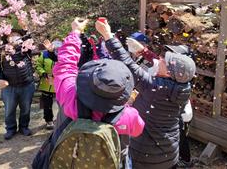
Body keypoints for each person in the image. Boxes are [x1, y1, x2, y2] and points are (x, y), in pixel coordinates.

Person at [34, 18, 144, 168]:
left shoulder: (71, 98)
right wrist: (126, 104)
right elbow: (138, 129)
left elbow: (65, 67)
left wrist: (75, 32)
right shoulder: (129, 116)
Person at [96, 20, 195, 169]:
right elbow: (154, 64)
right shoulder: (183, 86)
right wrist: (144, 52)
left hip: (146, 156)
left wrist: (108, 36)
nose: (160, 59)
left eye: (164, 61)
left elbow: (129, 65)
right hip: (169, 154)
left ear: (169, 73)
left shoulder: (156, 88)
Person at [0, 28, 35, 140]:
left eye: (17, 35)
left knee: (26, 108)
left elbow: (29, 39)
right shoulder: (1, 52)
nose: (14, 37)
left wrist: (25, 29)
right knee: (9, 109)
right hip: (9, 87)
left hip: (27, 85)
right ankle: (10, 129)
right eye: (11, 35)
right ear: (6, 38)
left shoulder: (26, 49)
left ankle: (24, 127)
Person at [35, 39, 62, 130]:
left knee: (63, 103)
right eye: (54, 42)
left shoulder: (64, 54)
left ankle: (62, 120)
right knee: (47, 104)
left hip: (60, 83)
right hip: (47, 82)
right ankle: (49, 121)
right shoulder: (44, 54)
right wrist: (44, 74)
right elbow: (38, 65)